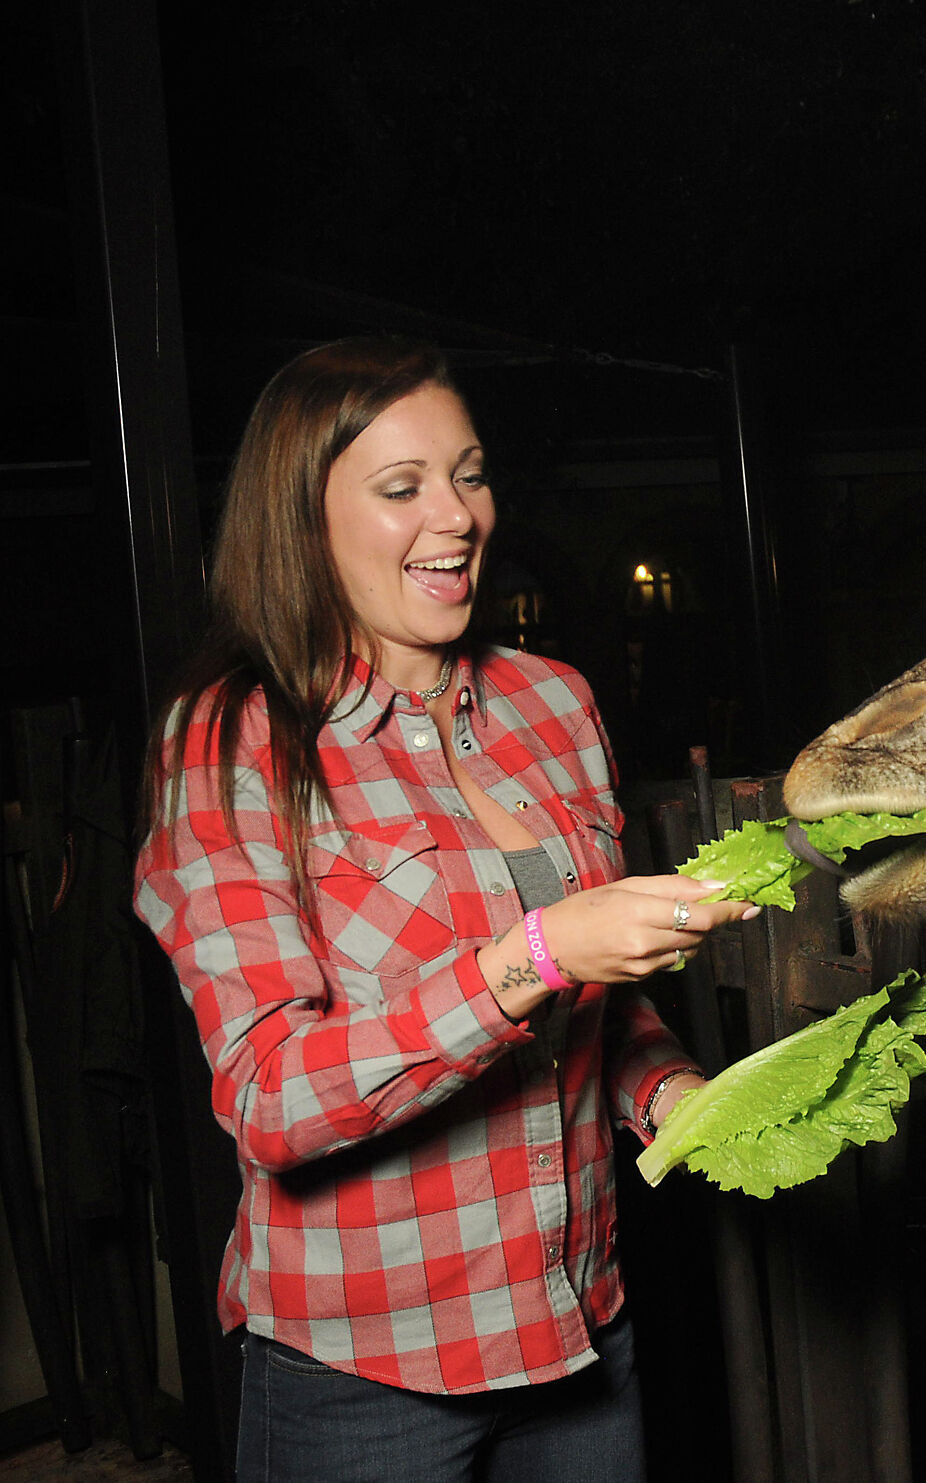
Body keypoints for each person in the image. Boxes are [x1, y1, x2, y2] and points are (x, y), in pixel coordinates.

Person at [134, 337, 749, 1481]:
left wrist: (671, 1088)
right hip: (365, 1378)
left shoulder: (552, 704)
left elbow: (603, 1013)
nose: (457, 514)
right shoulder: (234, 737)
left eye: (468, 474)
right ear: (302, 521)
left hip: (582, 1331)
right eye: (402, 487)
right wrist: (533, 954)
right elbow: (272, 1096)